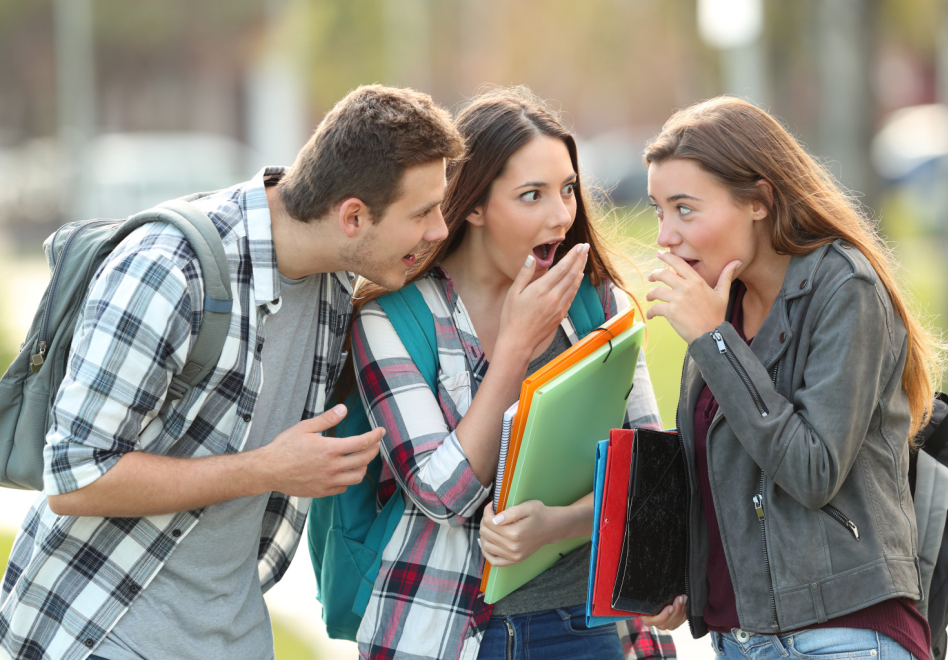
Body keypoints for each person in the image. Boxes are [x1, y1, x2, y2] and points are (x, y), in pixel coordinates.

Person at [0, 85, 464, 660]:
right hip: (106, 628)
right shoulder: (170, 270)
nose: (440, 229)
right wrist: (268, 469)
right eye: (423, 212)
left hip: (233, 635)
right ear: (352, 216)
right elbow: (75, 477)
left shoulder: (335, 279)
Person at [348, 86, 682, 660]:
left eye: (568, 189)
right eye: (532, 195)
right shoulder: (391, 319)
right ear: (473, 205)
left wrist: (561, 523)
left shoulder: (599, 306)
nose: (560, 215)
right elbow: (445, 494)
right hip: (447, 631)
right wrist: (514, 350)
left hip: (592, 630)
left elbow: (650, 481)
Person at [643, 97, 947, 660]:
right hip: (743, 638)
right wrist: (684, 577)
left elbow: (813, 470)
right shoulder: (722, 306)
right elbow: (725, 472)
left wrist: (714, 343)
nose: (664, 235)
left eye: (685, 209)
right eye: (659, 210)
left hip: (841, 634)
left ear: (759, 200)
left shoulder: (844, 289)